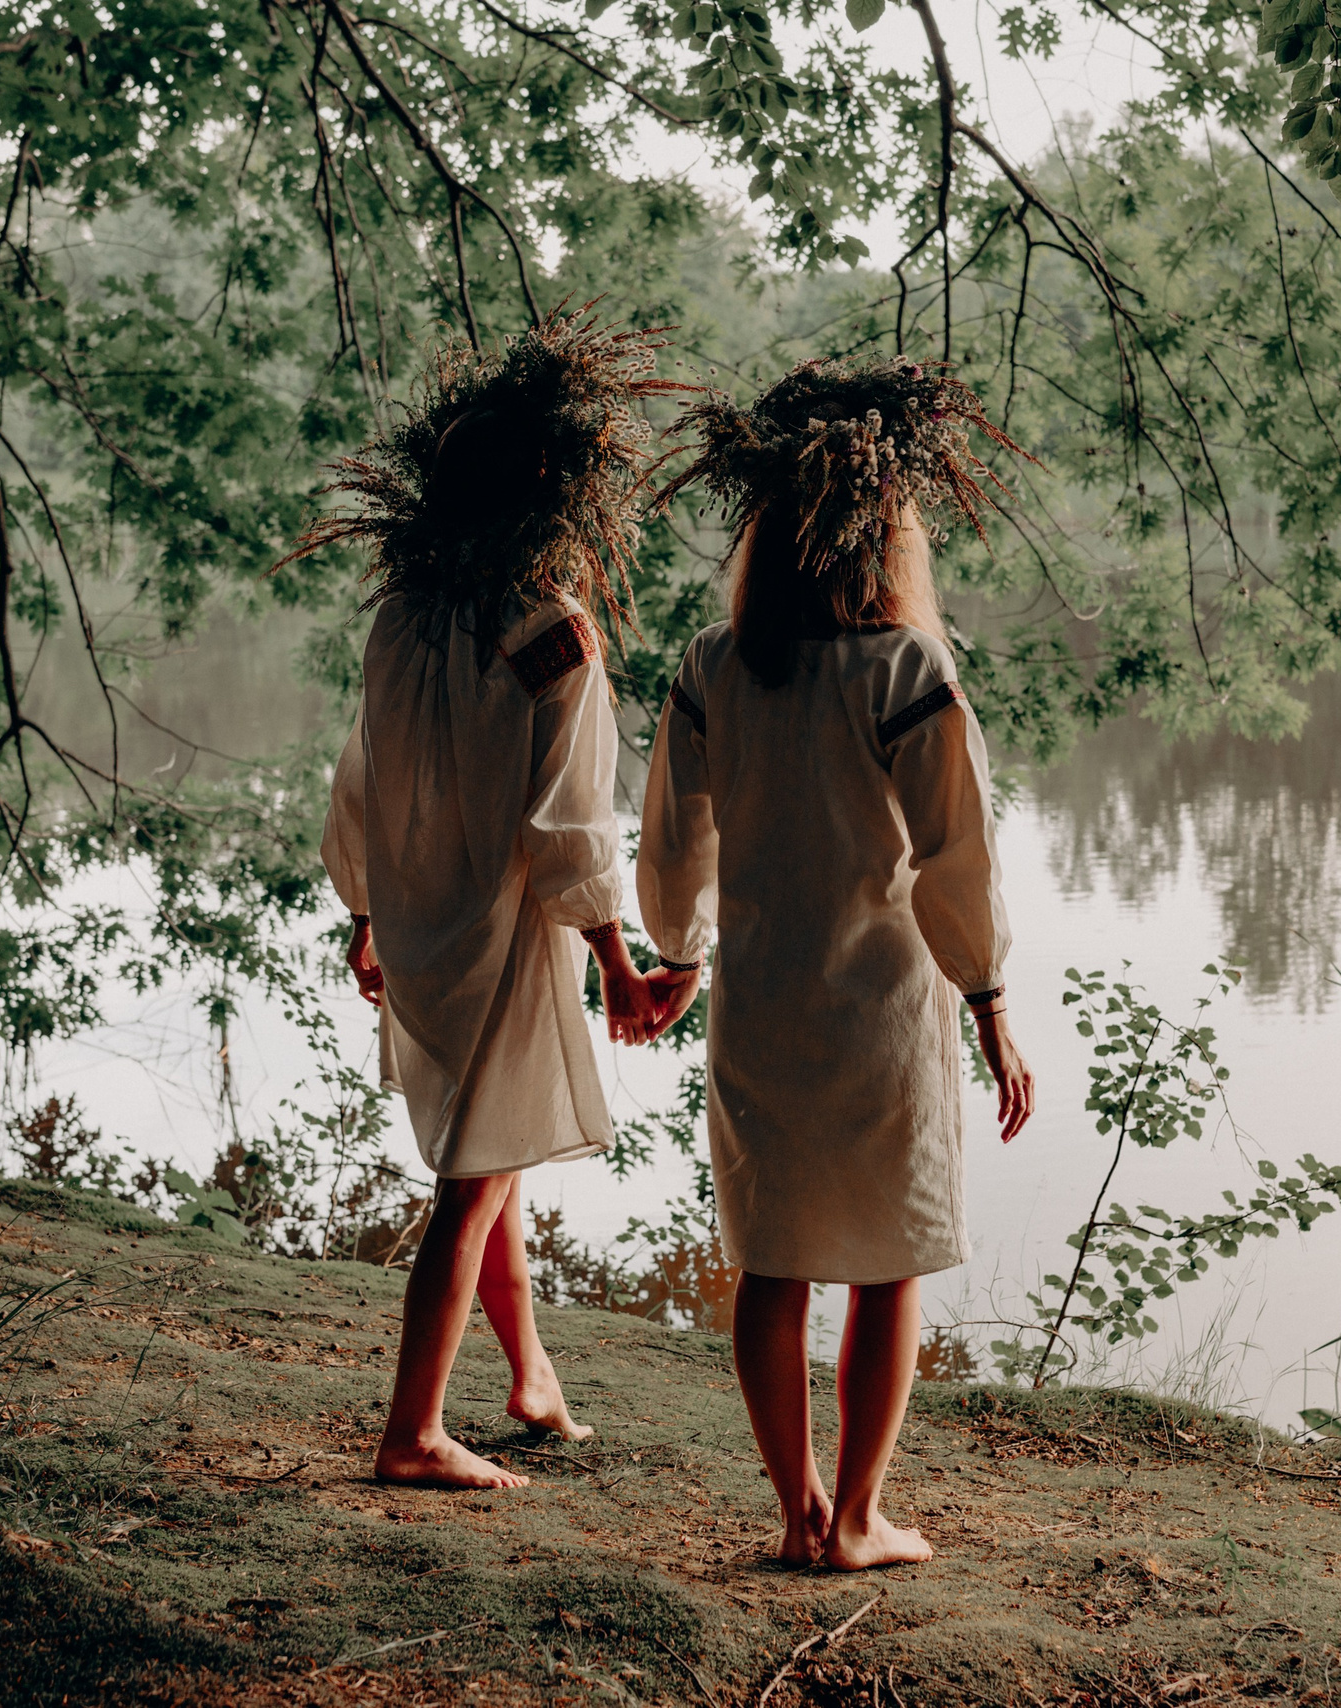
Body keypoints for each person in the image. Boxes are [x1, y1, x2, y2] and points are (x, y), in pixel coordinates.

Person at [635, 358, 1037, 1569]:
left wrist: (677, 952)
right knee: (885, 1263)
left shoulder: (716, 664)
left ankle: (797, 1509)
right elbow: (954, 862)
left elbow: (669, 837)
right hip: (880, 1020)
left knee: (774, 1259)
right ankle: (857, 1518)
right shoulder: (905, 672)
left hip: (760, 1008)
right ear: (886, 532)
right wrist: (992, 1003)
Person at [295, 311, 681, 1490]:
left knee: (491, 1156)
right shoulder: (552, 629)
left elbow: (361, 774)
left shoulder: (402, 615)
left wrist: (362, 915)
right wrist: (619, 963)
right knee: (473, 1177)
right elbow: (568, 823)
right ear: (551, 500)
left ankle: (531, 1378)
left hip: (419, 917)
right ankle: (411, 1432)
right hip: (503, 929)